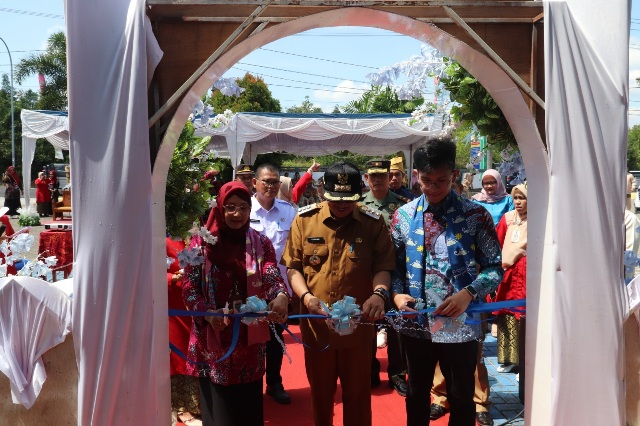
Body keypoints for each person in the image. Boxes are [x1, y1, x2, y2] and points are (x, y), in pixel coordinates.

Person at [390, 138, 503, 426]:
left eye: (441, 180)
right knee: (416, 395)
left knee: (462, 396)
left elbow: (493, 269)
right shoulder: (402, 217)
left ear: (453, 174)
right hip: (415, 323)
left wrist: (468, 293)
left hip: (461, 323)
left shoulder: (475, 215)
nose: (433, 188)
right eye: (426, 180)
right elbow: (394, 269)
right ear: (416, 176)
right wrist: (397, 296)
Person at [281, 162, 396, 426]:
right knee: (321, 395)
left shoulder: (372, 223)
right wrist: (307, 298)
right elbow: (293, 268)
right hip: (316, 326)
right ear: (323, 192)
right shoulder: (305, 220)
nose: (342, 205)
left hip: (358, 329)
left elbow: (383, 266)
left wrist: (379, 294)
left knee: (357, 395)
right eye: (335, 199)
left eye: (349, 200)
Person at [182, 181, 290, 426]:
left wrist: (281, 295)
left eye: (243, 207)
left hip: (249, 344)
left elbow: (271, 275)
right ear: (219, 208)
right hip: (213, 341)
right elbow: (188, 289)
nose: (237, 214)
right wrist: (207, 313)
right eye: (230, 207)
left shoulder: (261, 243)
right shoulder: (201, 244)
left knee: (248, 411)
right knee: (219, 414)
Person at [360, 158, 408, 396]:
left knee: (397, 326)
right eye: (373, 175)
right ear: (367, 178)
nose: (378, 179)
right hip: (368, 274)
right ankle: (369, 369)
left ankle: (397, 374)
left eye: (382, 175)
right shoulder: (358, 205)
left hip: (396, 273)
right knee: (367, 324)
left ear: (390, 177)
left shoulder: (402, 205)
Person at [250, 163, 297, 405]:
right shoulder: (243, 209)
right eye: (266, 181)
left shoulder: (289, 211)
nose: (270, 186)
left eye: (275, 182)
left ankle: (275, 383)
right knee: (250, 338)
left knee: (276, 339)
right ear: (254, 183)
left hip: (279, 289)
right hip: (249, 288)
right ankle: (250, 384)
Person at [167, 237, 201, 426]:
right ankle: (180, 406)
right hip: (172, 303)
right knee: (178, 355)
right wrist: (172, 278)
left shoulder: (197, 234)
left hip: (198, 302)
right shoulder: (158, 236)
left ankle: (196, 404)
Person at [494, 183, 528, 375]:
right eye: (515, 198)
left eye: (522, 198)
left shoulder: (538, 219)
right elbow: (497, 243)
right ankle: (507, 358)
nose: (518, 202)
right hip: (507, 273)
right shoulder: (507, 219)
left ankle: (523, 360)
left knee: (524, 314)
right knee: (506, 312)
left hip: (526, 273)